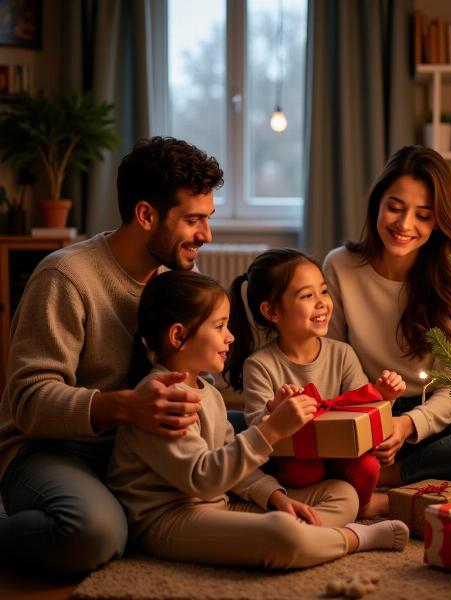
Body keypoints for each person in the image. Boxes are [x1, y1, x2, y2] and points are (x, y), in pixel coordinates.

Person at [0, 136, 223, 574]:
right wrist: (127, 407)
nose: (207, 235)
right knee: (95, 534)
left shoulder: (177, 274)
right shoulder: (65, 276)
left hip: (137, 444)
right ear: (145, 215)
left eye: (208, 219)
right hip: (51, 450)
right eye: (194, 220)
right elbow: (27, 400)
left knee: (261, 429)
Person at [108, 270, 409, 568]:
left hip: (218, 502)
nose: (230, 336)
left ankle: (307, 538)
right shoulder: (159, 398)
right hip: (169, 517)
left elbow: (233, 465)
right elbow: (203, 479)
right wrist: (271, 429)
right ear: (178, 336)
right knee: (282, 535)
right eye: (219, 326)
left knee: (342, 494)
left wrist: (276, 496)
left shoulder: (208, 393)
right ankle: (351, 538)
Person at [322, 145, 451, 487]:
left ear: (438, 221)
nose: (405, 225)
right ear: (377, 202)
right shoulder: (340, 265)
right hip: (363, 404)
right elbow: (330, 358)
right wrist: (374, 418)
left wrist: (406, 425)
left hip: (430, 411)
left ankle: (389, 478)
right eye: (394, 207)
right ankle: (378, 471)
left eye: (423, 215)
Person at [225, 249, 406, 519]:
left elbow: (364, 409)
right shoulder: (260, 364)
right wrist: (275, 409)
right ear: (272, 311)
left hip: (339, 454)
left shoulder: (341, 353)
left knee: (368, 468)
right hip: (295, 459)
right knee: (305, 471)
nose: (322, 303)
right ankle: (321, 500)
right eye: (307, 296)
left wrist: (385, 395)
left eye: (323, 291)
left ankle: (362, 504)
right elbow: (256, 430)